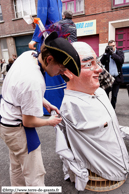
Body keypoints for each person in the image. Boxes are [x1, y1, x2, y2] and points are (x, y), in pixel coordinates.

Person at [0, 32, 81, 193]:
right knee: (35, 173)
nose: (62, 73)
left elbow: (20, 90)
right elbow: (28, 122)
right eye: (62, 68)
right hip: (18, 129)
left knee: (17, 166)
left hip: (6, 122)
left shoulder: (28, 55)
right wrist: (49, 122)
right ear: (49, 59)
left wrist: (45, 102)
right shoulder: (34, 81)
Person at [54, 42, 129, 191]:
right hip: (108, 172)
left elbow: (109, 128)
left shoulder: (100, 93)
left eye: (97, 62)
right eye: (89, 64)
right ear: (68, 72)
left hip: (120, 164)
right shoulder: (71, 107)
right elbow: (66, 149)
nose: (99, 69)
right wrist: (78, 172)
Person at [28, 0, 66, 116]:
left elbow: (41, 17)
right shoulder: (58, 1)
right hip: (58, 37)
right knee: (57, 70)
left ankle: (47, 107)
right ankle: (61, 105)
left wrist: (35, 38)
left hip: (47, 37)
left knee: (48, 69)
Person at [100, 40, 124, 109]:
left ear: (115, 46)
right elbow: (101, 62)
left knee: (114, 96)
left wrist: (112, 54)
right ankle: (107, 109)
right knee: (106, 95)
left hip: (117, 78)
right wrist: (105, 53)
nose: (112, 47)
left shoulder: (120, 53)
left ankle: (112, 109)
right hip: (108, 78)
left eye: (113, 46)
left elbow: (120, 61)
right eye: (110, 46)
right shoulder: (107, 54)